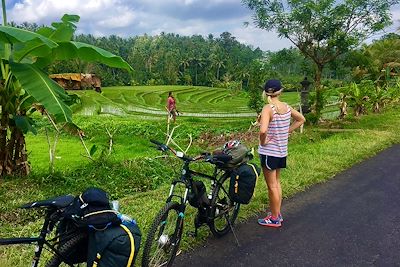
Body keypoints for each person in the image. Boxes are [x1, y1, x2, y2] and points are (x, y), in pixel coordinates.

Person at [257, 79, 305, 228]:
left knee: (271, 186)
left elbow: (263, 130)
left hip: (269, 153)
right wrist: (287, 131)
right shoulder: (286, 107)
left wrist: (263, 141)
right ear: (280, 91)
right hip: (281, 152)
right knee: (277, 183)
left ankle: (274, 218)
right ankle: (277, 213)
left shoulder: (268, 108)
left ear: (266, 93)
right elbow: (301, 119)